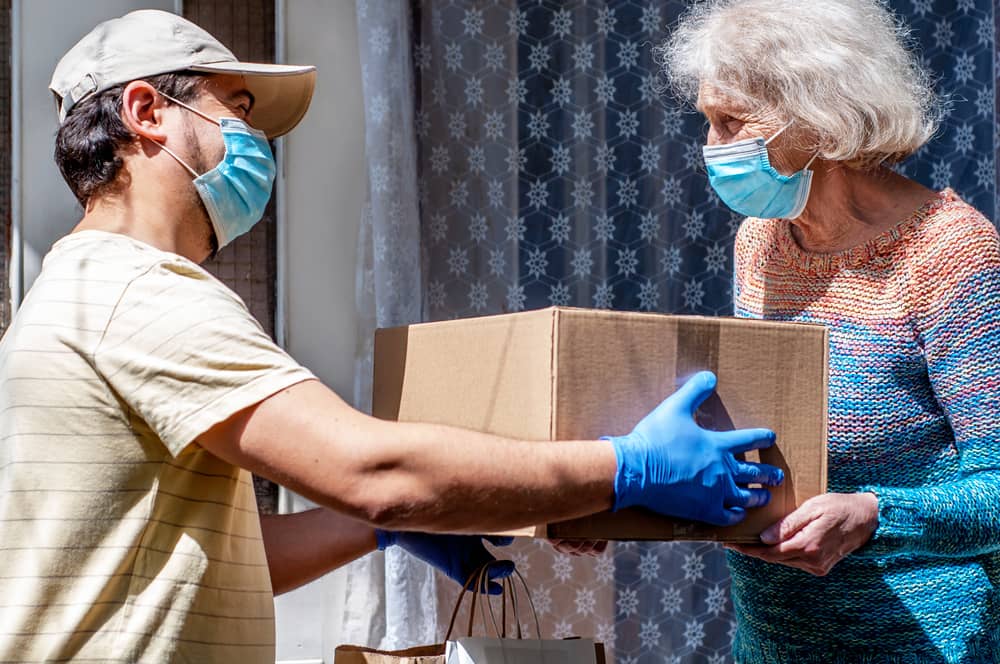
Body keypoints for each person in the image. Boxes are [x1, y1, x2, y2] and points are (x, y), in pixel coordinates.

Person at [0, 10, 783, 663]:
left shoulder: (77, 291)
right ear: (145, 113)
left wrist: (377, 525)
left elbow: (225, 563)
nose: (256, 145)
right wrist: (626, 468)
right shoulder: (141, 292)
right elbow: (372, 467)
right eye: (236, 110)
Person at [659, 0, 1000, 661]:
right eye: (707, 121)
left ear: (820, 116)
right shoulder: (761, 242)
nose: (711, 148)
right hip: (769, 646)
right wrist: (604, 501)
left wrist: (873, 516)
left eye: (733, 123)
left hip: (926, 648)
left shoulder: (951, 252)